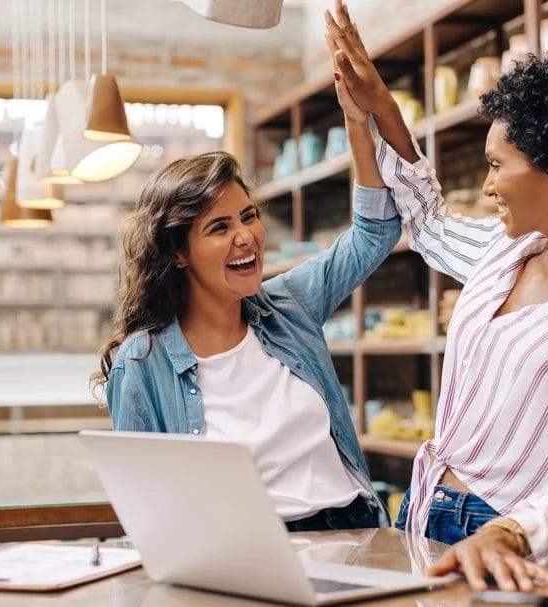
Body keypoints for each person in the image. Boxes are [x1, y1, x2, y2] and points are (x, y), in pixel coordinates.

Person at [325, 0, 548, 591]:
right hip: (424, 513)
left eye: (497, 166)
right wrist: (378, 109)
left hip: (511, 543)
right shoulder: (505, 251)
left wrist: (510, 534)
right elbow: (428, 220)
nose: (488, 185)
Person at [92, 80, 399, 532]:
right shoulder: (143, 364)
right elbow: (149, 512)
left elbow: (375, 233)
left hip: (356, 528)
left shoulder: (288, 305)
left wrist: (357, 120)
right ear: (178, 253)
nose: (246, 237)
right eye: (219, 227)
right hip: (253, 546)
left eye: (249, 216)